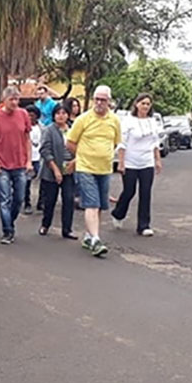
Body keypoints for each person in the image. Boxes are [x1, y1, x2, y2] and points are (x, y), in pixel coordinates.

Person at [66, 85, 122, 257]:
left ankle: (89, 236)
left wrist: (103, 154)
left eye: (103, 100)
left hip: (105, 168)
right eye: (96, 99)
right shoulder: (83, 119)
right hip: (85, 168)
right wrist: (82, 156)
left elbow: (115, 143)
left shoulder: (114, 121)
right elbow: (70, 142)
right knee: (91, 203)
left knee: (100, 205)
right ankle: (96, 240)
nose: (99, 102)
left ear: (109, 102)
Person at [0, 86, 33, 244]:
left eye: (17, 99)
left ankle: (9, 222)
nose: (14, 102)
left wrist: (28, 161)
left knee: (18, 199)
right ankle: (8, 231)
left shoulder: (23, 114)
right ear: (4, 100)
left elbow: (27, 138)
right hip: (2, 165)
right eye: (11, 99)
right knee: (4, 200)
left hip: (20, 164)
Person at [111, 92, 163, 236]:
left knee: (145, 193)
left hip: (147, 162)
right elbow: (122, 144)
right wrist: (121, 163)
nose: (145, 106)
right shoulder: (128, 121)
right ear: (136, 104)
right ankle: (118, 213)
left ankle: (144, 225)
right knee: (129, 191)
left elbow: (155, 143)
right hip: (130, 162)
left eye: (148, 104)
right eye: (143, 103)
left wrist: (157, 160)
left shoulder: (152, 121)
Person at [39, 103, 77, 239]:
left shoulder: (73, 129)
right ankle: (45, 224)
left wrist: (74, 162)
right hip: (52, 171)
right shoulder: (49, 130)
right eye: (58, 113)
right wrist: (55, 169)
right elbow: (45, 150)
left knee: (68, 199)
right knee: (50, 200)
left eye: (64, 113)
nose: (61, 116)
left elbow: (81, 147)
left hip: (69, 170)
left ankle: (67, 229)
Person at [23, 105, 43, 215]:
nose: (30, 117)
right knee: (27, 181)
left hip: (39, 158)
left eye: (32, 115)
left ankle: (41, 202)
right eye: (28, 115)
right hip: (27, 158)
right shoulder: (22, 128)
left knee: (41, 180)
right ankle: (27, 202)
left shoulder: (41, 128)